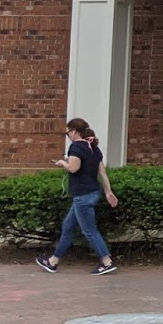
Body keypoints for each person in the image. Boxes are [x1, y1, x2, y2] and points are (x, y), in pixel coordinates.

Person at [35, 118, 119, 276]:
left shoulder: (76, 147)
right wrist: (108, 191)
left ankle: (107, 261)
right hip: (92, 192)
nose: (68, 136)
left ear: (74, 131)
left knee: (89, 231)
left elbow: (74, 168)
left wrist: (62, 163)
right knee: (68, 227)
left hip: (82, 195)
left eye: (68, 133)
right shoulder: (94, 148)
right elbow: (102, 173)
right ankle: (53, 261)